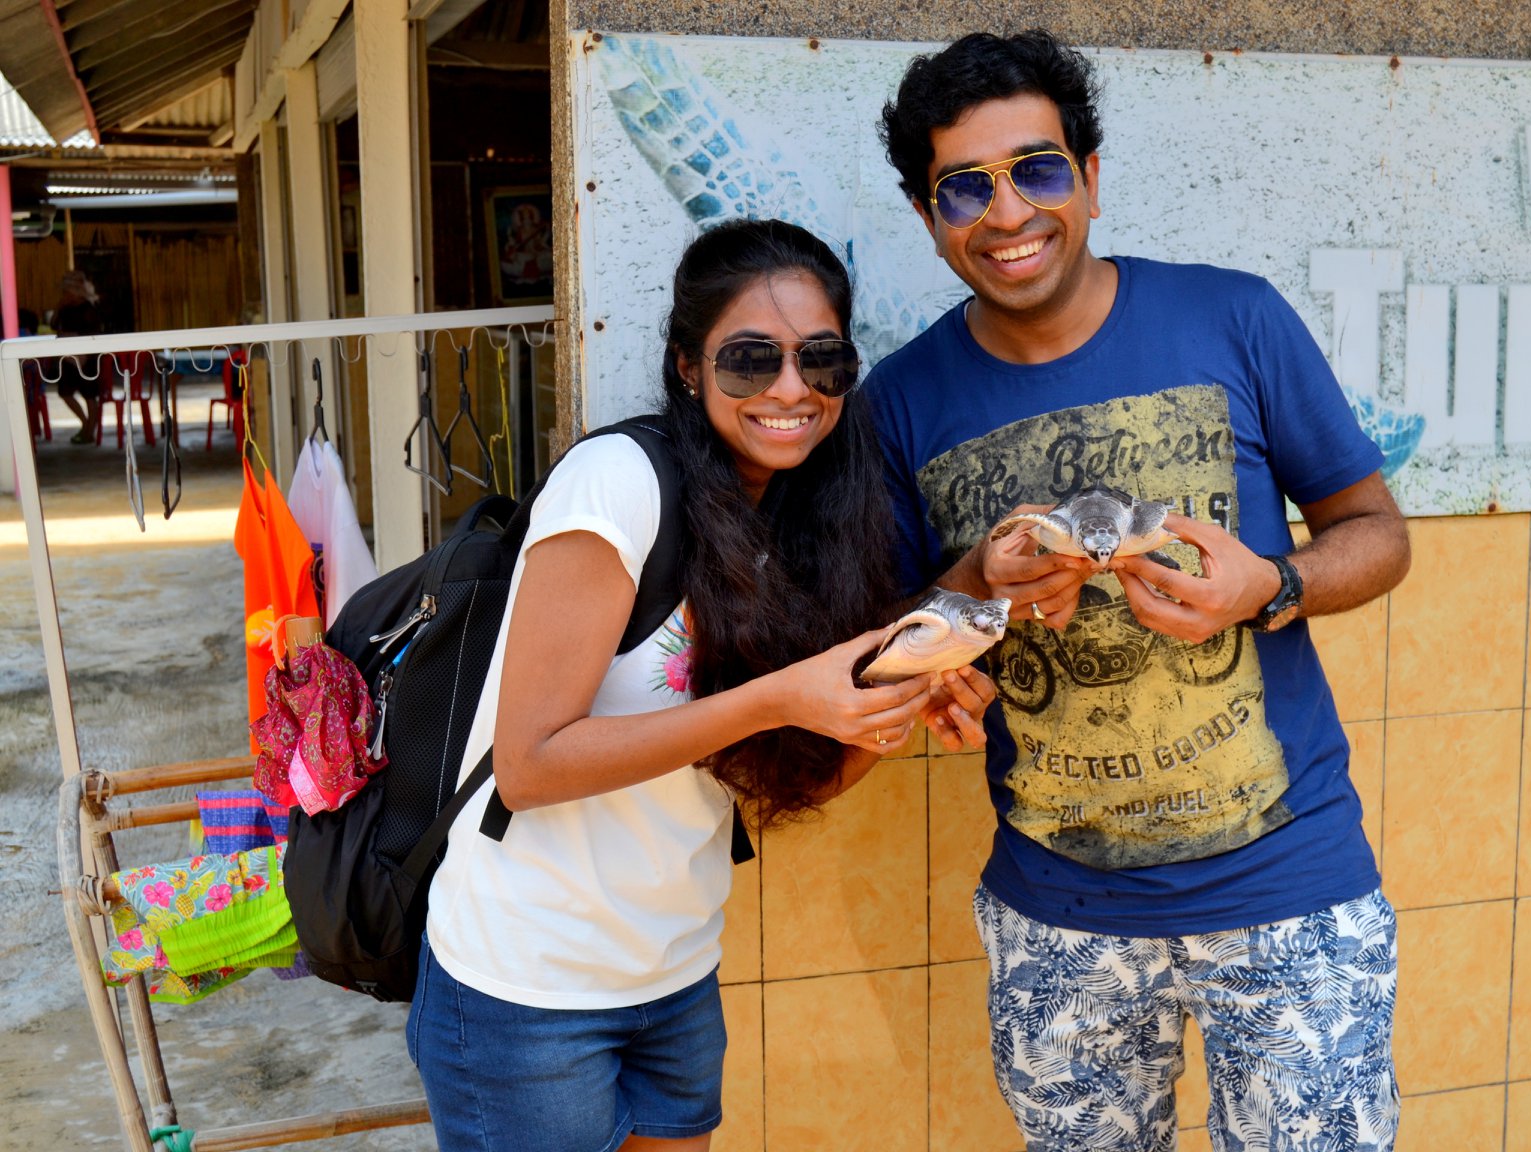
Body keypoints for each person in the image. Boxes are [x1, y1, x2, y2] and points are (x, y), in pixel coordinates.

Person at [869, 31, 1411, 1152]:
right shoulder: (900, 401)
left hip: (1290, 892)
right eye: (965, 187)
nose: (1008, 212)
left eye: (1037, 169)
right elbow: (894, 638)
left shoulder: (1234, 319)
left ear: (1090, 178)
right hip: (1058, 919)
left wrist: (1272, 584)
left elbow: (1378, 535)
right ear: (929, 218)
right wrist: (975, 591)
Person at [410, 218, 996, 1152]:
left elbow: (796, 779)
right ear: (688, 366)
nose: (791, 389)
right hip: (529, 989)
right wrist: (780, 696)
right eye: (750, 360)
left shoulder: (806, 519)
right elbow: (529, 765)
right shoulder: (618, 483)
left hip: (676, 972)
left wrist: (899, 695)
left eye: (821, 360)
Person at [48, 270, 104, 444]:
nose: (66, 294)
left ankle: (90, 432)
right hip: (68, 357)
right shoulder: (65, 308)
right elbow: (53, 325)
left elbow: (94, 332)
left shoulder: (88, 307)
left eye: (68, 291)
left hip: (87, 358)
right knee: (65, 393)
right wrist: (59, 307)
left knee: (89, 395)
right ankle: (85, 424)